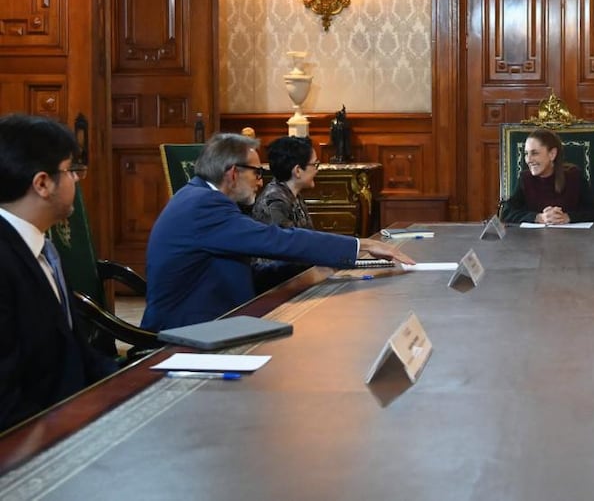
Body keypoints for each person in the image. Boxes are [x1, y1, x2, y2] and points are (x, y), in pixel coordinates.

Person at [142, 133, 414, 331]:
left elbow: (243, 267)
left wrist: (314, 269)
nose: (260, 180)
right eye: (257, 172)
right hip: (190, 330)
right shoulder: (204, 205)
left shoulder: (199, 197)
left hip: (213, 316)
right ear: (234, 173)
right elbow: (275, 240)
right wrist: (359, 245)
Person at [0, 115, 116, 431]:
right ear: (42, 183)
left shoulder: (45, 248)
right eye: (71, 171)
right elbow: (6, 403)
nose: (77, 181)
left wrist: (138, 381)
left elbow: (75, 354)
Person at [500, 129, 594, 224]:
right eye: (526, 154)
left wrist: (568, 217)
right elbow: (506, 213)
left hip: (572, 241)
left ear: (552, 154)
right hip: (533, 242)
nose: (528, 160)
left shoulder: (573, 176)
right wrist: (538, 218)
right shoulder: (526, 178)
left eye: (534, 153)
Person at [252, 136, 317, 229]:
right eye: (314, 164)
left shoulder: (292, 194)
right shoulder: (274, 203)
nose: (316, 170)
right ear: (297, 171)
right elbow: (290, 241)